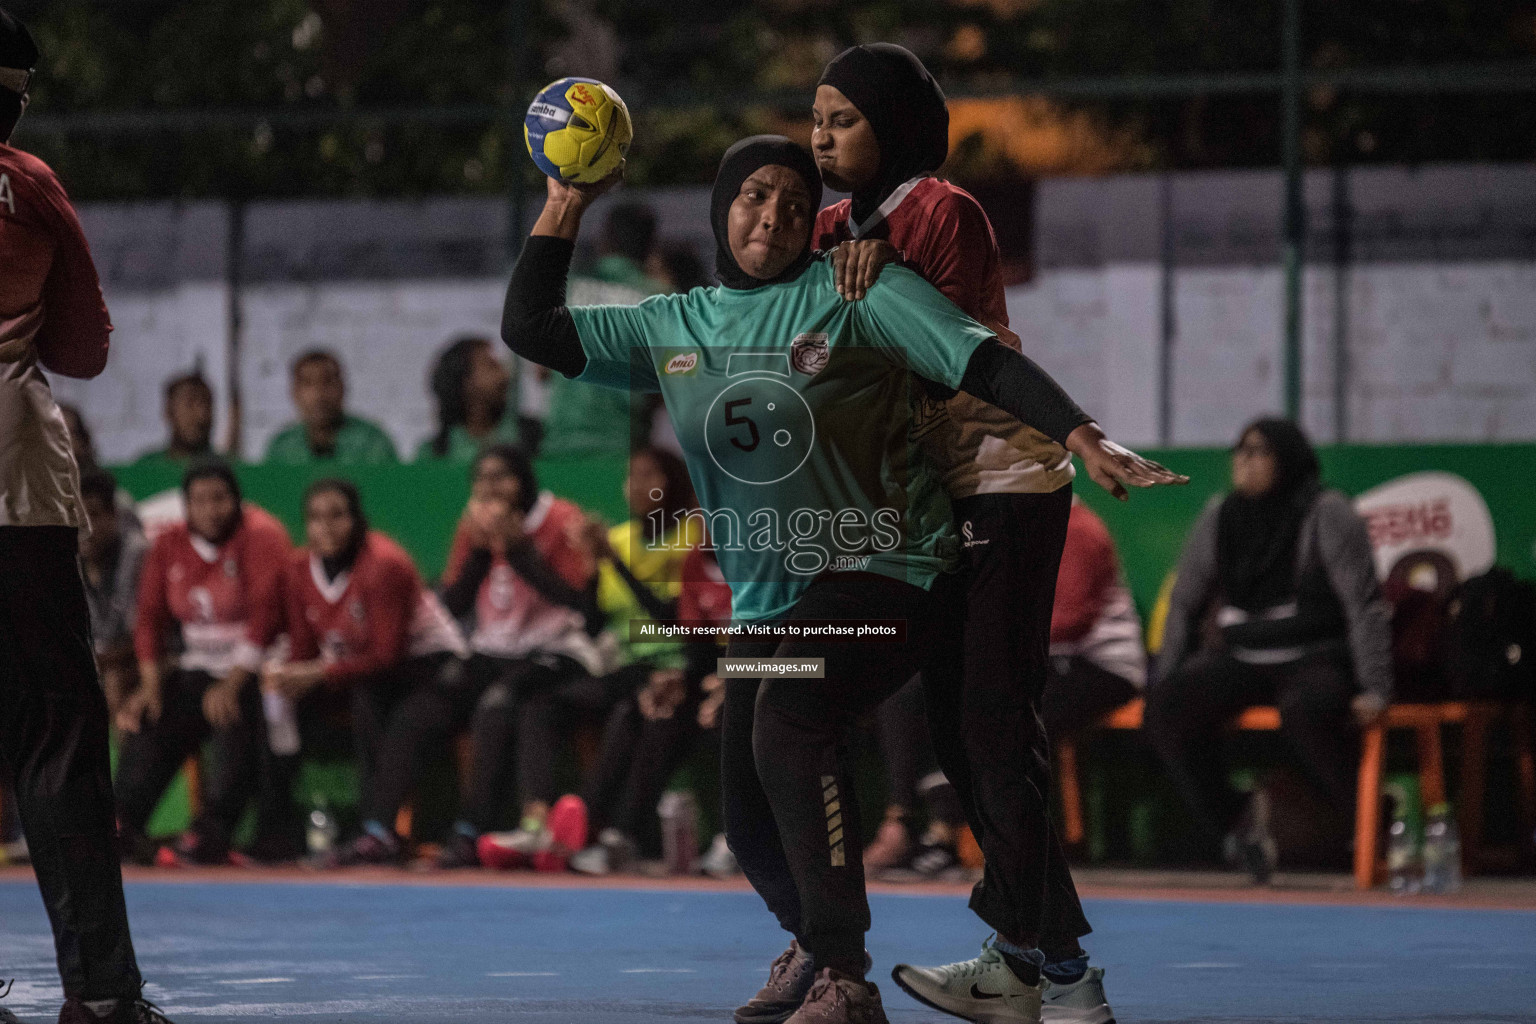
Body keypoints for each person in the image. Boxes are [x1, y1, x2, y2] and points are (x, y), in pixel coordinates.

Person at [501, 135, 1179, 1024]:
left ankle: (846, 977)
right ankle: (813, 943)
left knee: (790, 720)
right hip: (768, 603)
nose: (774, 214)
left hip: (889, 570)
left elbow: (980, 357)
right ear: (720, 209)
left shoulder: (855, 293)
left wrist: (1080, 431)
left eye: (792, 200)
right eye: (754, 197)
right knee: (745, 813)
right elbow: (532, 329)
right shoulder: (674, 324)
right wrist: (565, 202)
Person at [809, 43, 1133, 1024]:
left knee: (994, 725)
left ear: (895, 125)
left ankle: (1059, 970)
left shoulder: (941, 210)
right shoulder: (827, 226)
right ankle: (1033, 963)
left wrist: (862, 293)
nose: (821, 135)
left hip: (1006, 482)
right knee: (958, 727)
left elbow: (937, 359)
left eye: (844, 118)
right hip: (929, 500)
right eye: (814, 118)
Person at [0, 8, 172, 1019]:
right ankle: (101, 992)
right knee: (57, 729)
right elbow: (84, 348)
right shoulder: (27, 184)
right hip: (13, 470)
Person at [1145, 417, 1391, 882]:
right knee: (1166, 710)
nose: (1243, 461)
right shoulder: (1221, 514)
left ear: (1288, 460)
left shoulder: (1327, 511)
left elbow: (1364, 604)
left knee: (1308, 709)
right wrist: (1166, 678)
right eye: (1238, 451)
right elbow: (1184, 603)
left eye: (1257, 452)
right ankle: (1238, 822)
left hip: (1314, 652)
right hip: (1243, 655)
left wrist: (1376, 688)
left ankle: (1369, 823)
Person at [358, 445, 600, 868]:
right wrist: (481, 551)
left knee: (498, 705)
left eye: (501, 476)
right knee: (423, 707)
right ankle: (378, 830)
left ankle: (471, 831)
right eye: (481, 479)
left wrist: (521, 552)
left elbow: (582, 604)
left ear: (524, 479)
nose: (491, 488)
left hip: (557, 648)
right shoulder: (473, 527)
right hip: (491, 648)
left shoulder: (561, 519)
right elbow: (453, 603)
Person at [266, 479, 468, 867]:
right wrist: (286, 676)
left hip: (436, 668)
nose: (326, 527)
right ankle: (275, 834)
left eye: (337, 515)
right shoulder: (298, 569)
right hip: (367, 673)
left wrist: (318, 673)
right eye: (315, 518)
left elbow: (387, 655)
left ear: (359, 520)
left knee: (397, 717)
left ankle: (380, 832)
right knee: (270, 705)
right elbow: (305, 649)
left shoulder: (384, 565)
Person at [115, 461, 291, 868]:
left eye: (220, 499)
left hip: (255, 667)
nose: (211, 510)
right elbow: (150, 619)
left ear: (237, 502)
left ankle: (211, 832)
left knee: (232, 715)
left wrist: (230, 684)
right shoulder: (168, 544)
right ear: (186, 506)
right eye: (200, 501)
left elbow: (267, 617)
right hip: (195, 665)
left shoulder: (263, 535)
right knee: (151, 717)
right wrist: (150, 685)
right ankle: (122, 822)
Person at [564, 446, 706, 873]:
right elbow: (593, 623)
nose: (637, 485)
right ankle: (580, 827)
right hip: (629, 667)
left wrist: (617, 564)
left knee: (647, 712)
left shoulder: (695, 536)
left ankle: (613, 832)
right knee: (543, 702)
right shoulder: (620, 539)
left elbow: (674, 619)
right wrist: (593, 568)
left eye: (649, 475)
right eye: (631, 476)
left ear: (675, 484)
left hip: (686, 663)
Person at [1040, 499, 1146, 741]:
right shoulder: (1035, 526)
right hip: (1067, 661)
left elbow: (1071, 620)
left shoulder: (1074, 528)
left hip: (1106, 667)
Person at [79, 468, 150, 721]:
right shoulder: (64, 558)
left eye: (94, 515)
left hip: (145, 663)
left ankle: (117, 761)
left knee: (114, 682)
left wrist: (99, 660)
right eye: (76, 516)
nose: (84, 527)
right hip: (94, 661)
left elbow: (147, 638)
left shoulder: (138, 555)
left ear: (114, 516)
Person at [263, 349, 398, 465]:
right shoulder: (282, 447)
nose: (319, 394)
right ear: (294, 392)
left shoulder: (372, 441)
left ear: (343, 388)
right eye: (308, 383)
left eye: (328, 382)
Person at [415, 335, 519, 462]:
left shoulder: (527, 438)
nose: (504, 376)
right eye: (492, 366)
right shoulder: (433, 454)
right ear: (466, 383)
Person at [130, 371, 215, 474]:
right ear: (169, 412)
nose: (201, 415)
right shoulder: (146, 468)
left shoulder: (227, 468)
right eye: (190, 404)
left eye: (207, 405)